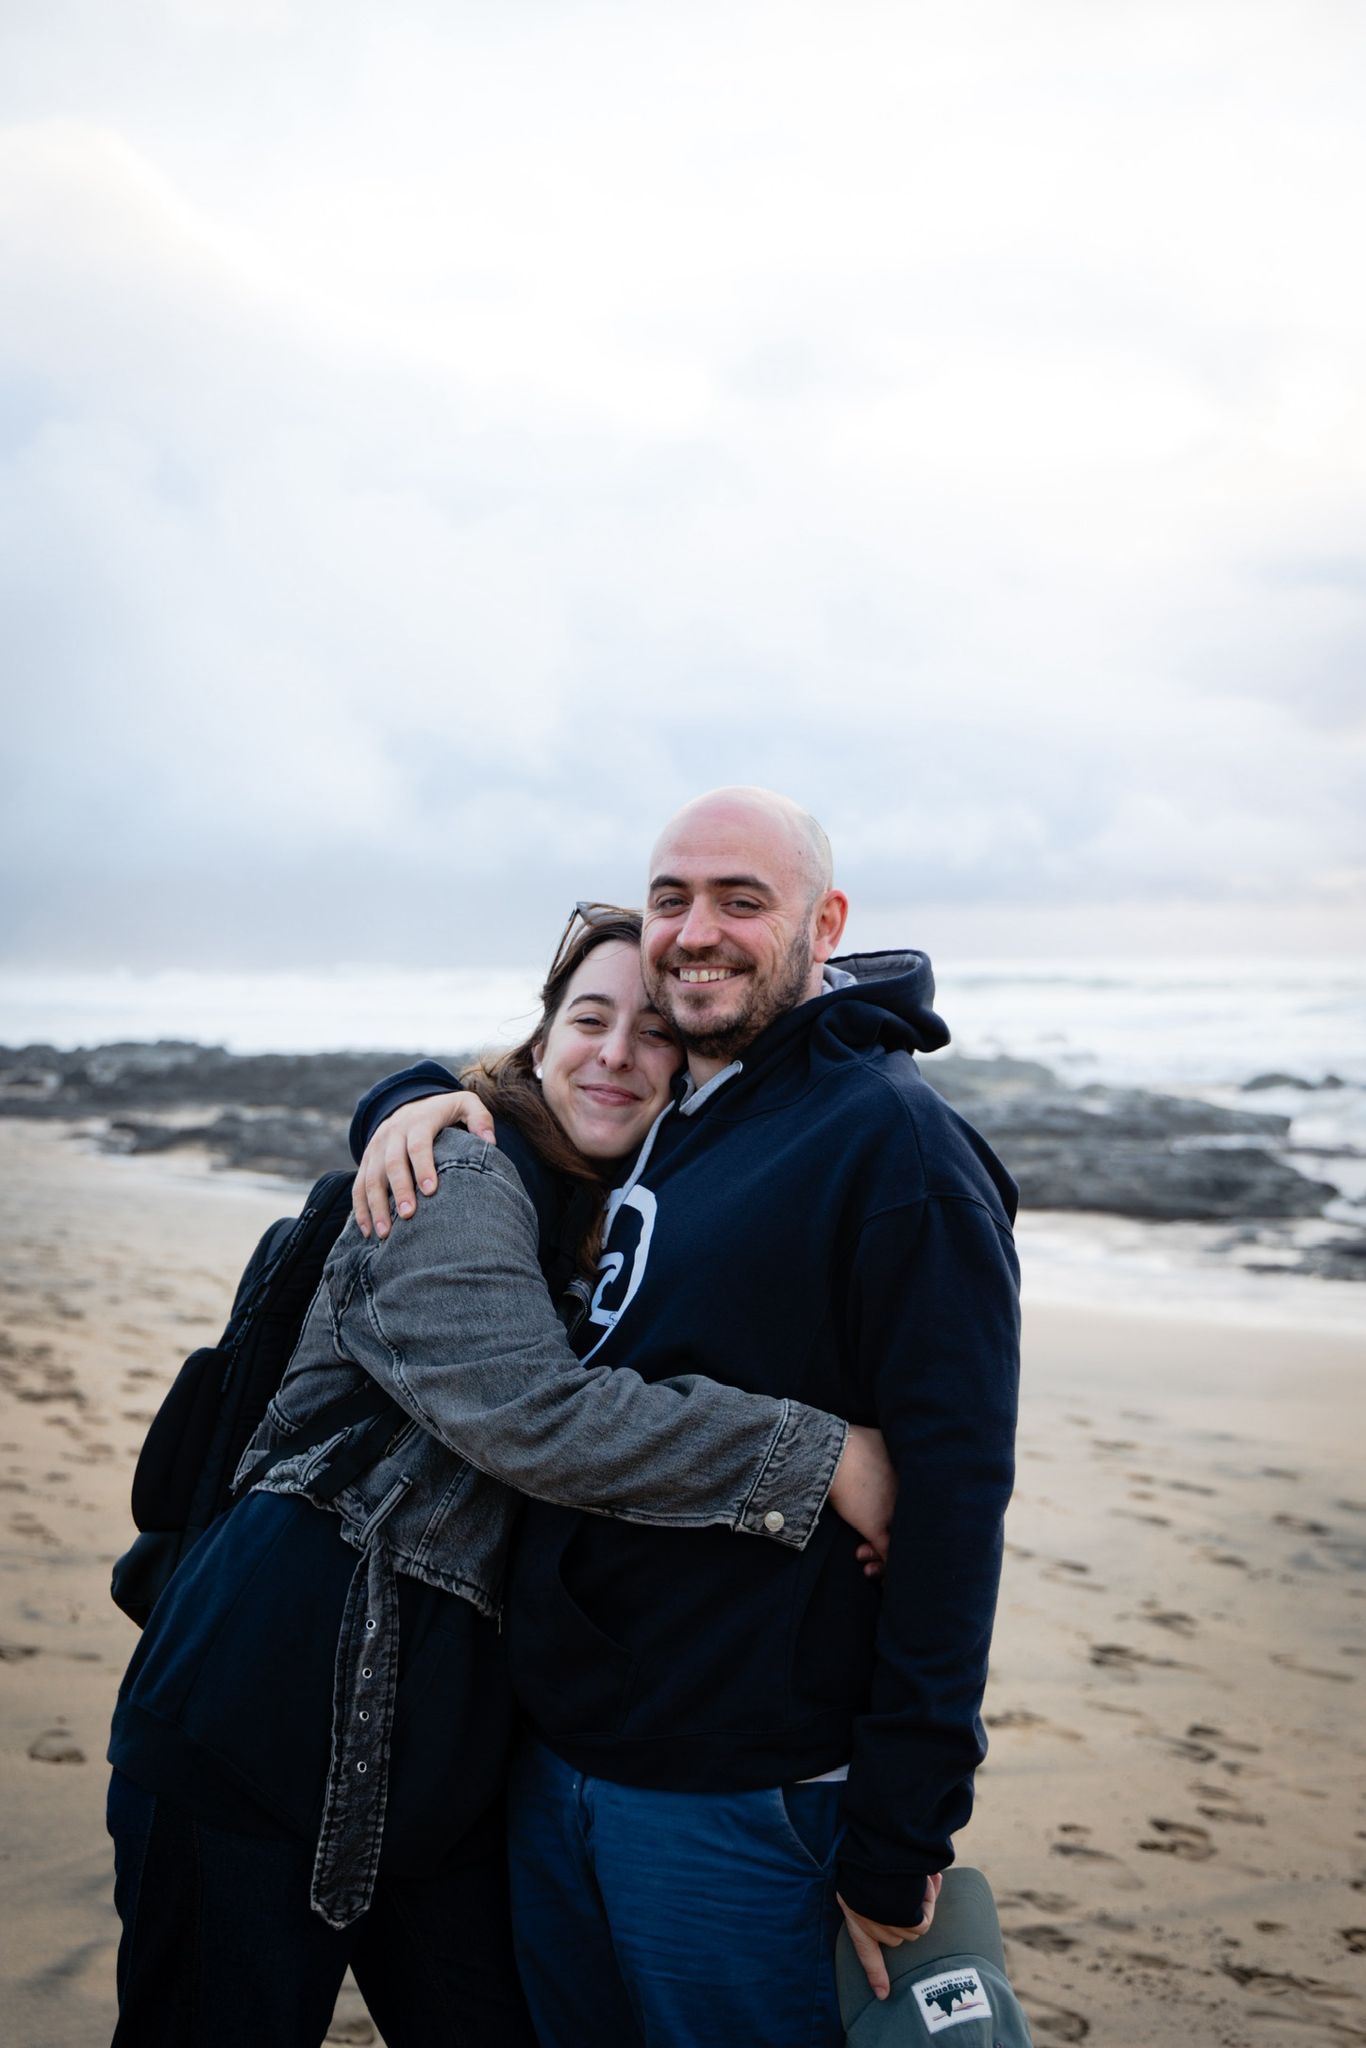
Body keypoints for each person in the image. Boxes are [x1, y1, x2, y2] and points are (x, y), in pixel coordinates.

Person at [105, 906, 896, 2048]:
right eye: (588, 1018)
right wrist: (822, 1458)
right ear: (537, 1043)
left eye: (656, 1028)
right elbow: (536, 1416)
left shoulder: (622, 1218)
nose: (617, 1051)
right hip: (257, 1725)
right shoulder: (457, 1173)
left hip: (438, 1768)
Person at [350, 786, 1022, 2048]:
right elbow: (536, 1088)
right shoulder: (679, 1123)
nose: (695, 929)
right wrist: (415, 1095)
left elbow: (955, 1506)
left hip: (742, 1790)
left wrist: (902, 1828)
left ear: (823, 921)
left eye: (739, 899)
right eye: (671, 898)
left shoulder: (894, 1149)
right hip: (560, 1764)